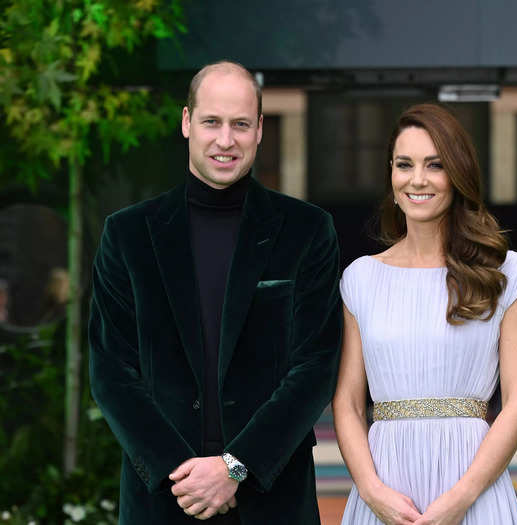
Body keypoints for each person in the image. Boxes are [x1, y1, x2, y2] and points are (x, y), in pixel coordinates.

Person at [88, 61, 342, 524]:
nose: (226, 140)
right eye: (212, 122)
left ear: (260, 129)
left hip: (273, 500)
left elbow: (316, 366)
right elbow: (111, 371)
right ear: (187, 122)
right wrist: (183, 473)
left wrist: (236, 466)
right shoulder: (127, 234)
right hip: (162, 500)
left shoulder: (307, 231)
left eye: (240, 124)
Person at [332, 103, 517, 525]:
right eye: (404, 164)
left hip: (474, 492)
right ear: (391, 176)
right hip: (383, 495)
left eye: (435, 164)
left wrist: (460, 499)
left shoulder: (506, 273)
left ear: (458, 175)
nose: (418, 179)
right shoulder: (360, 278)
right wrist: (373, 492)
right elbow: (349, 404)